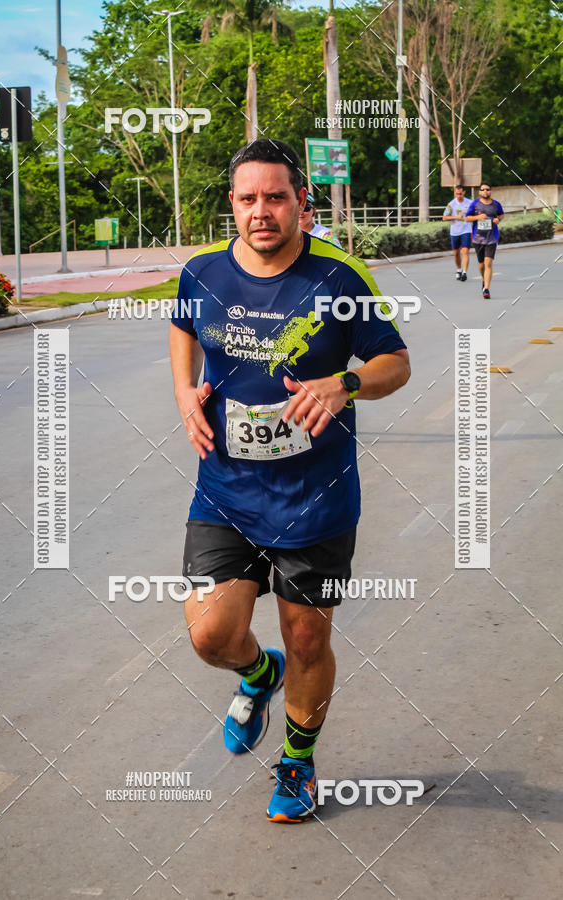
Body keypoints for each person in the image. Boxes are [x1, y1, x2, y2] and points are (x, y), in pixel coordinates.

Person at [169, 139, 410, 823]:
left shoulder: (338, 278)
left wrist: (345, 384)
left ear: (301, 202)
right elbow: (182, 326)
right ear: (232, 204)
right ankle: (257, 672)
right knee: (210, 635)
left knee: (308, 638)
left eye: (275, 197)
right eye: (248, 199)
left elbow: (396, 362)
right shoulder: (203, 273)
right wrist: (183, 389)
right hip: (225, 490)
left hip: (316, 498)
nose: (262, 211)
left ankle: (298, 763)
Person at [465, 182, 505, 299]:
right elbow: (467, 218)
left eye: (487, 189)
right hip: (478, 238)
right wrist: (478, 217)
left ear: (490, 191)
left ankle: (486, 289)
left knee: (488, 263)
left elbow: (502, 215)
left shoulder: (496, 204)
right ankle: (484, 280)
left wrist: (498, 219)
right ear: (479, 192)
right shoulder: (475, 204)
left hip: (492, 237)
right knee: (481, 265)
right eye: (483, 189)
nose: (485, 191)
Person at [443, 184, 472, 281]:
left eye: (460, 194)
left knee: (465, 251)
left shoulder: (470, 203)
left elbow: (476, 213)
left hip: (466, 230)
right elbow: (444, 217)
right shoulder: (451, 204)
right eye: (457, 194)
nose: (459, 196)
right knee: (456, 253)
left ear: (464, 192)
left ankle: (464, 272)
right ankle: (459, 269)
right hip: (455, 231)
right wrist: (456, 217)